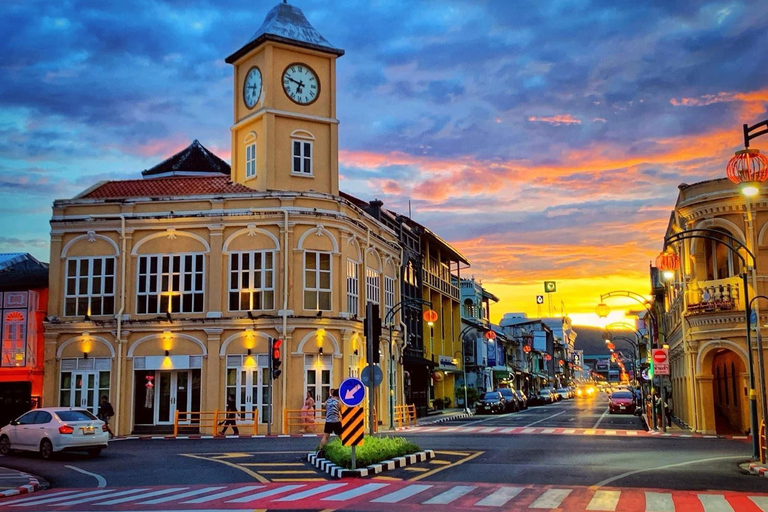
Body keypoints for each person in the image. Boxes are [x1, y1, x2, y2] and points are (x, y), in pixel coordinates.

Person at [318, 388, 341, 457]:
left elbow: (324, 406)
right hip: (336, 421)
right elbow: (341, 410)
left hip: (328, 421)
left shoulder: (328, 401)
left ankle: (320, 450)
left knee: (325, 437)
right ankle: (345, 448)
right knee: (341, 436)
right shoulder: (338, 402)